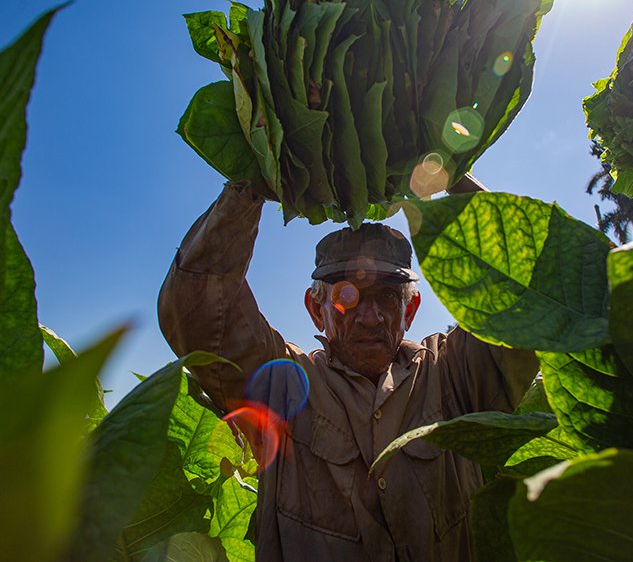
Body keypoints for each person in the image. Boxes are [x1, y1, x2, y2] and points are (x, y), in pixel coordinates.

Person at [158, 176, 538, 561]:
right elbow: (197, 309)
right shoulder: (285, 382)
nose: (369, 317)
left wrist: (452, 175)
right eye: (346, 296)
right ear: (315, 309)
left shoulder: (452, 374)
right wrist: (251, 186)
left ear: (409, 310)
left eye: (387, 296)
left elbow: (537, 295)